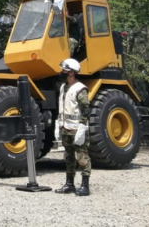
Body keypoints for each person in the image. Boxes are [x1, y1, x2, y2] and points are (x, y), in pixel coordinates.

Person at [55, 58, 91, 196]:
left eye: (65, 71)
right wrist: (58, 125)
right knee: (68, 157)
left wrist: (82, 127)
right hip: (66, 128)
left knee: (82, 157)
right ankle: (69, 184)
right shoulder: (63, 87)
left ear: (72, 73)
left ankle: (85, 186)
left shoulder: (80, 88)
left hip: (77, 129)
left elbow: (86, 109)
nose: (62, 72)